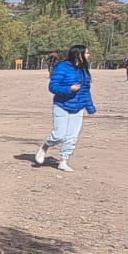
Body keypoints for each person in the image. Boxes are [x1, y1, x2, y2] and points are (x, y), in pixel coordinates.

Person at [34, 44, 95, 172]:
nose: (89, 55)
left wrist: (90, 107)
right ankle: (45, 147)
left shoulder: (84, 70)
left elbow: (85, 91)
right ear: (79, 54)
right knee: (59, 135)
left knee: (72, 136)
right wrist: (69, 89)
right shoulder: (62, 67)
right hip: (62, 105)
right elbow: (52, 87)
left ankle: (63, 161)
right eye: (87, 53)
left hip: (78, 107)